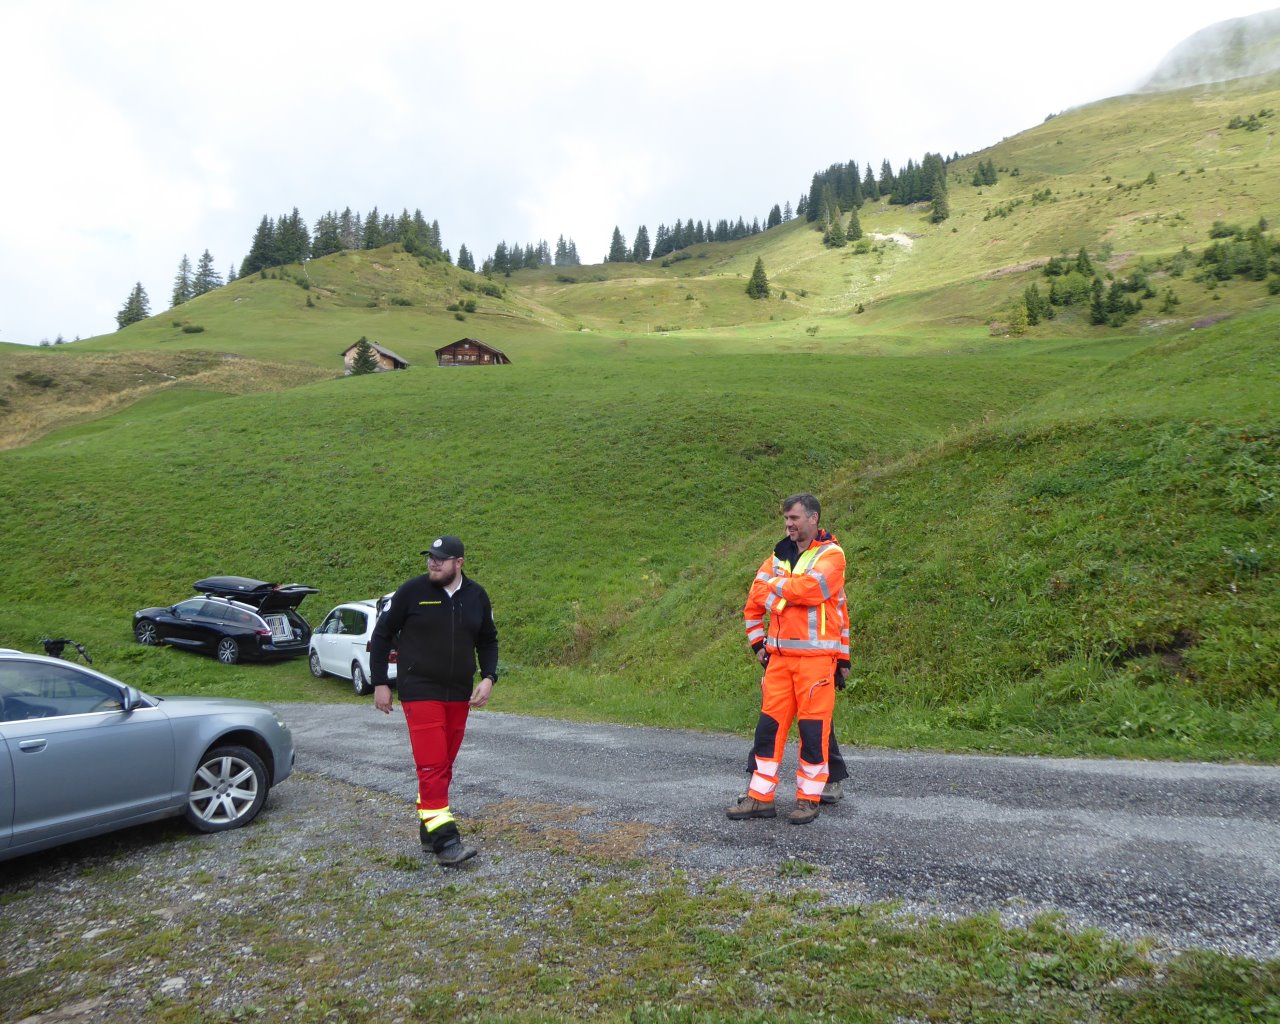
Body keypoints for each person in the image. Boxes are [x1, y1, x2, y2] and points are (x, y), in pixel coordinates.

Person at [370, 535, 498, 865]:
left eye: (441, 558)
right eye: (430, 557)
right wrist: (380, 682)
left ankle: (429, 826)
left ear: (459, 563)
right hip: (420, 690)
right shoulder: (412, 591)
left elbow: (488, 640)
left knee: (443, 766)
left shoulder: (477, 596)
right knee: (431, 765)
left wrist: (488, 677)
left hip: (458, 693)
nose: (433, 563)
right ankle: (446, 842)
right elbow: (382, 635)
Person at [728, 494, 849, 825]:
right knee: (768, 730)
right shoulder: (779, 554)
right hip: (779, 660)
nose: (788, 524)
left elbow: (812, 590)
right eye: (786, 519)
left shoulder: (832, 555)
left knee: (813, 732)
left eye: (794, 518)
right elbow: (756, 595)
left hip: (815, 662)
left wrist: (775, 589)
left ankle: (808, 799)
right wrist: (760, 642)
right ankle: (759, 797)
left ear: (813, 518)